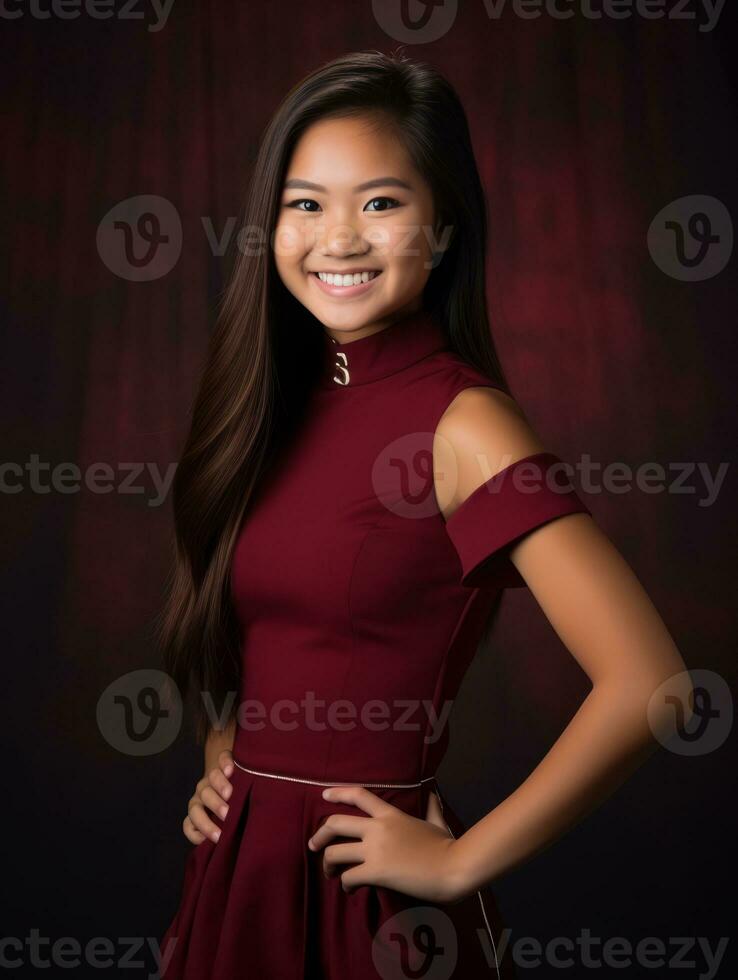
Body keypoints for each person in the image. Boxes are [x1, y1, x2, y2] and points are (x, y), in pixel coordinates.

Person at [156, 50, 694, 980]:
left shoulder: (465, 422)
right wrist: (228, 749)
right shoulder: (268, 406)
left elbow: (652, 687)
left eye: (381, 203)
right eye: (306, 202)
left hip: (364, 904)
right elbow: (277, 631)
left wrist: (457, 860)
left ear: (442, 227)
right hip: (235, 877)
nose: (339, 239)